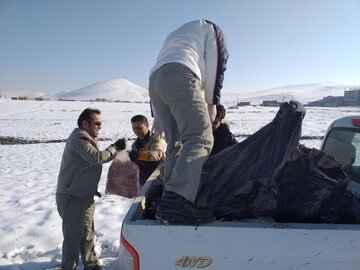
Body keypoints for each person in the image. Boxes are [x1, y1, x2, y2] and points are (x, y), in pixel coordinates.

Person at [148, 19, 229, 224]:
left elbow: (165, 69)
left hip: (155, 79)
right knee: (201, 137)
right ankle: (178, 199)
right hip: (181, 73)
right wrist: (211, 105)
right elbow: (216, 64)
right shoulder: (211, 29)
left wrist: (157, 116)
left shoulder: (175, 34)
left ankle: (169, 197)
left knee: (175, 142)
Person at [56, 108, 126, 270]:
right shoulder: (78, 138)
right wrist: (114, 147)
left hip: (84, 197)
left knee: (87, 234)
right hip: (71, 196)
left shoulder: (88, 138)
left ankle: (92, 265)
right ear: (85, 123)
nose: (100, 126)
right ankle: (69, 267)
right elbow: (96, 158)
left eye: (101, 123)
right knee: (73, 236)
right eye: (97, 123)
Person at [129, 114, 165, 186]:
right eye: (134, 128)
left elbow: (157, 154)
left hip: (158, 179)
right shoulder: (135, 144)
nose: (136, 131)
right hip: (142, 182)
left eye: (139, 128)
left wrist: (137, 155)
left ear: (147, 125)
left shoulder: (156, 139)